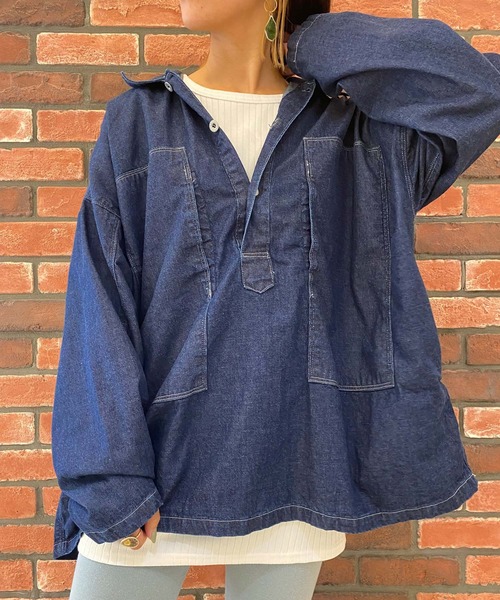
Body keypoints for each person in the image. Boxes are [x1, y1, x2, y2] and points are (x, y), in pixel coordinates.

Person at [51, 0, 500, 597]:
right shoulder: (140, 122)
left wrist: (305, 40)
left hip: (306, 471)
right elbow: (99, 302)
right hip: (156, 474)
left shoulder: (362, 135)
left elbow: (480, 89)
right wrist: (110, 480)